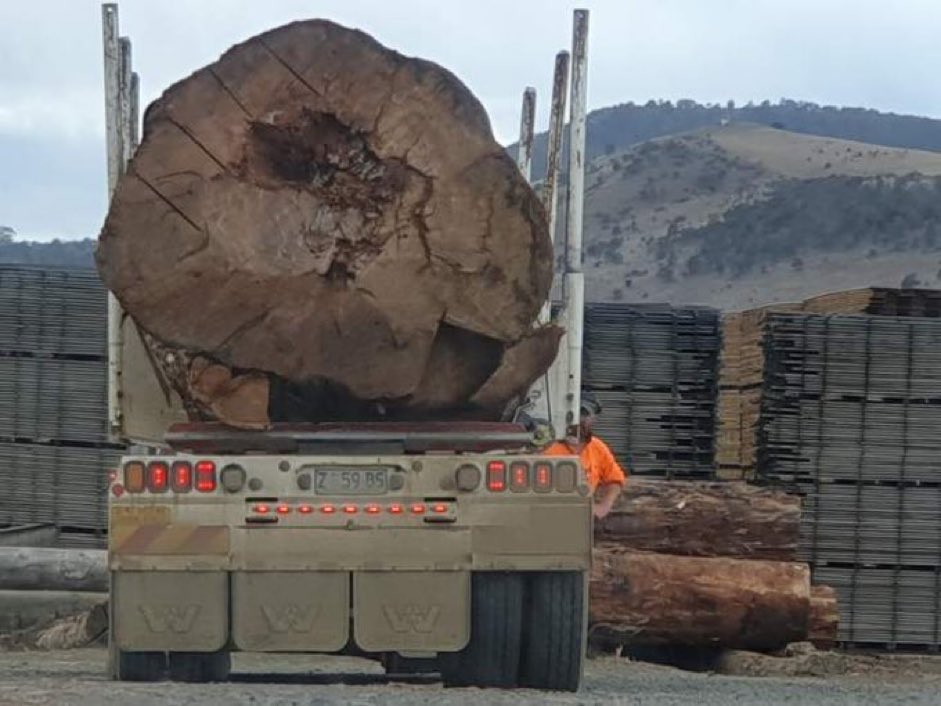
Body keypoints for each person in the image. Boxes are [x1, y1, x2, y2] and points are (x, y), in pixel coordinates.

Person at [544, 395, 627, 519]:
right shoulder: (548, 448)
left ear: (593, 419)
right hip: (549, 517)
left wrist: (604, 506)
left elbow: (615, 480)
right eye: (575, 414)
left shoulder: (597, 447)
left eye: (584, 414)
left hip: (583, 520)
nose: (579, 419)